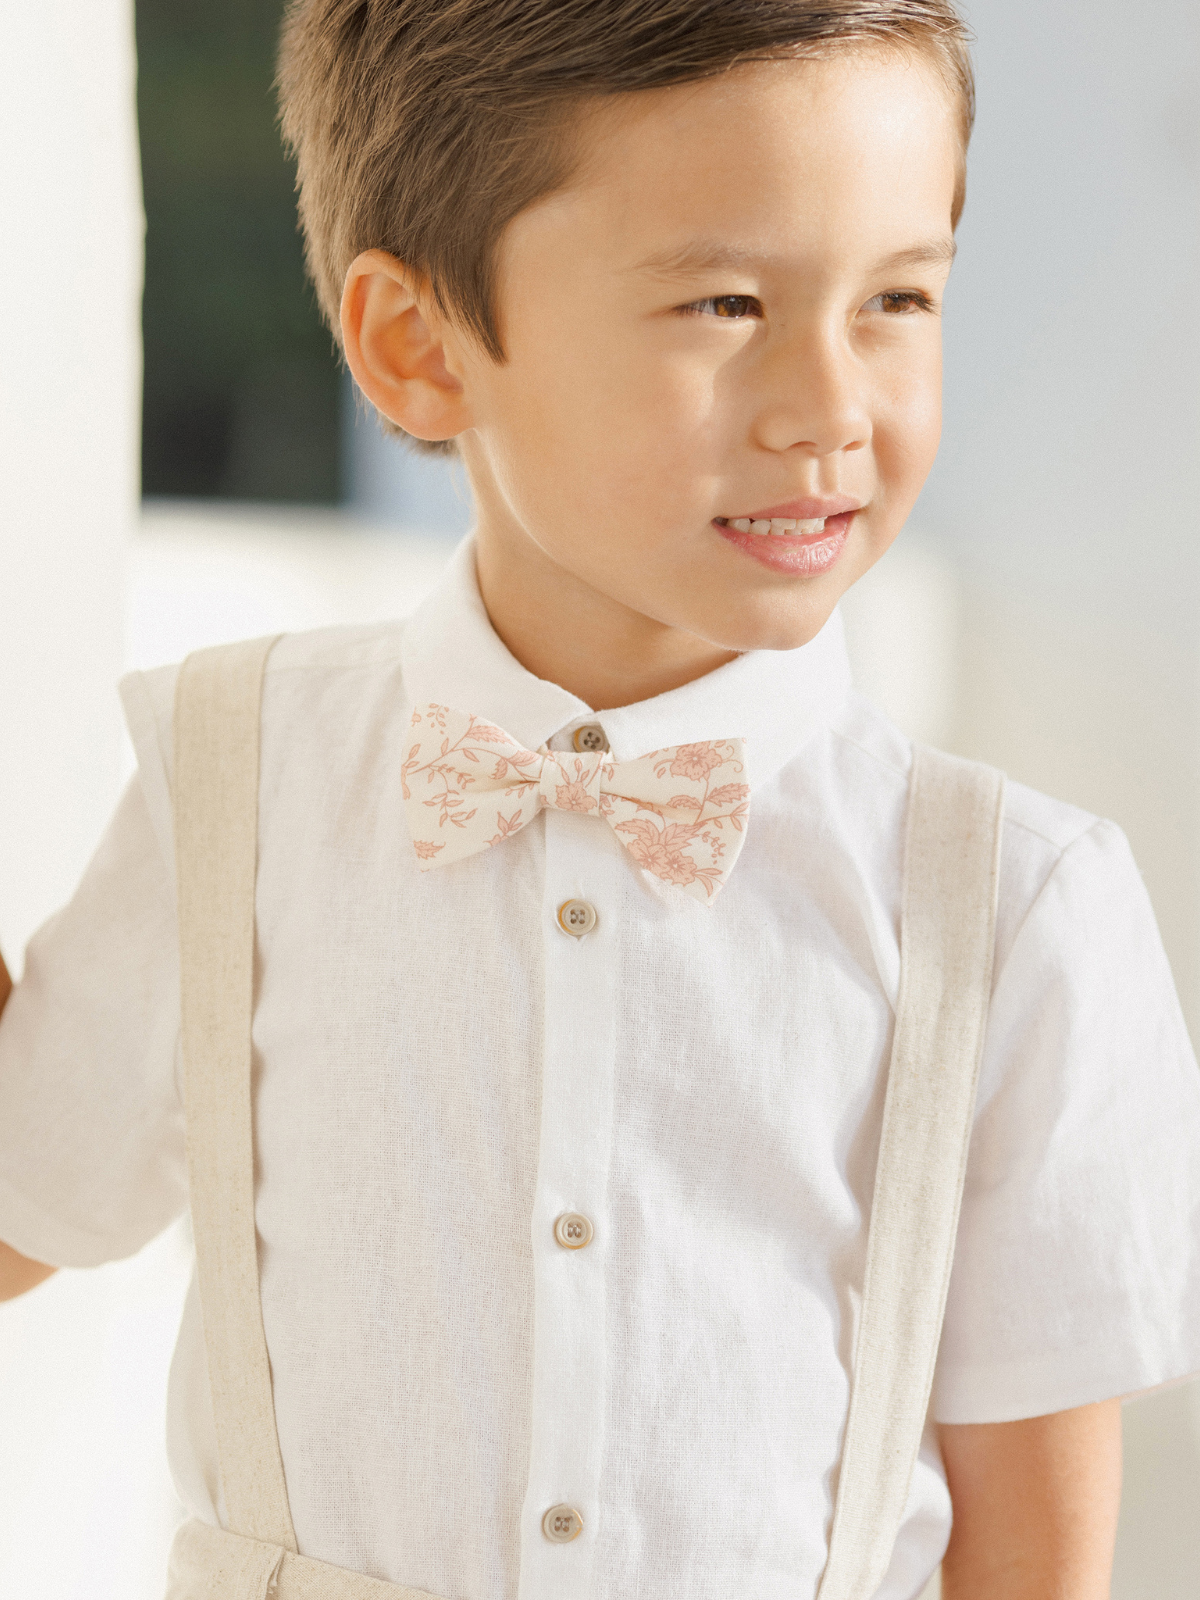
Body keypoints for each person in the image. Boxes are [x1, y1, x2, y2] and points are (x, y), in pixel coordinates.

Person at [2, 2, 1199, 1596]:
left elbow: (1037, 1555)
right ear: (418, 349)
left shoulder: (1019, 908)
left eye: (898, 298)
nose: (830, 407)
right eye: (725, 300)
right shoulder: (235, 783)